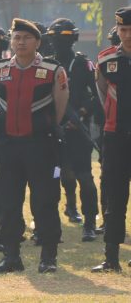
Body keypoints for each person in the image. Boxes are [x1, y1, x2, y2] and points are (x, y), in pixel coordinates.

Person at [0, 18, 68, 274]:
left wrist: (42, 126)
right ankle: (12, 256)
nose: (20, 42)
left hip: (41, 146)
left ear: (38, 42)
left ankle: (48, 256)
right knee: (8, 202)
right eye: (16, 37)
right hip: (9, 146)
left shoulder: (53, 69)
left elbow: (60, 106)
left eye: (26, 38)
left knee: (45, 200)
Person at [47, 18, 102, 240]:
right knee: (58, 174)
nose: (61, 42)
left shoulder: (83, 64)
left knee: (85, 179)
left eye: (66, 38)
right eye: (57, 38)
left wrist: (80, 114)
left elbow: (96, 95)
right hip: (51, 133)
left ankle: (90, 222)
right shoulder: (46, 65)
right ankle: (58, 215)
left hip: (78, 132)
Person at [91, 6, 131, 272]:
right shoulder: (105, 60)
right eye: (123, 30)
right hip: (115, 137)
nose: (127, 35)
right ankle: (111, 258)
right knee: (114, 199)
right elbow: (103, 93)